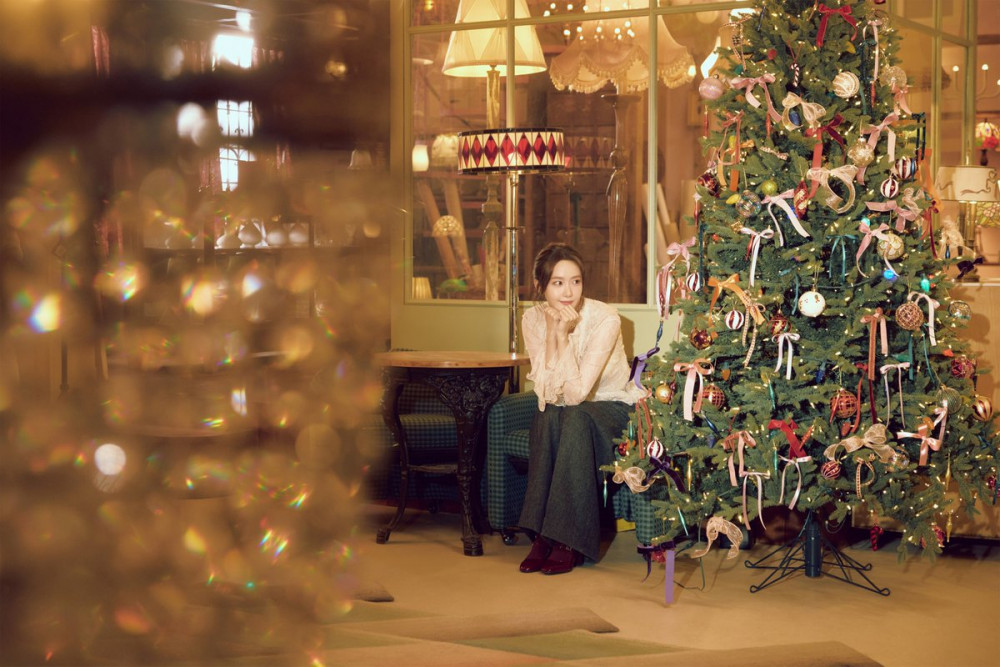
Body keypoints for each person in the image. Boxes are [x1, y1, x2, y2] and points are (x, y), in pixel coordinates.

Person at [517, 243, 646, 574]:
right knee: (547, 416)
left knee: (573, 415)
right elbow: (546, 393)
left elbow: (576, 394)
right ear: (541, 286)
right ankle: (542, 535)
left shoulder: (605, 318)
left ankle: (568, 541)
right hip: (571, 412)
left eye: (575, 281)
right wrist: (550, 333)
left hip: (613, 407)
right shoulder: (532, 318)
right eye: (558, 283)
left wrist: (562, 337)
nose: (568, 292)